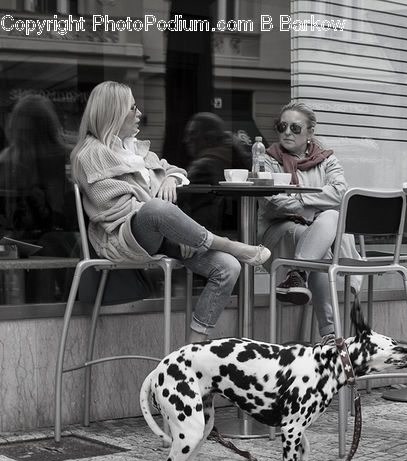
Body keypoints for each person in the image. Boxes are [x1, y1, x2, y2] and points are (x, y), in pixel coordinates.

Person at [69, 81, 270, 343]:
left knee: (228, 267)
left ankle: (191, 350)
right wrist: (173, 230)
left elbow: (175, 170)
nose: (139, 113)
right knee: (156, 208)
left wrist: (168, 180)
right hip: (122, 238)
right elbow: (118, 209)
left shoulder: (133, 148)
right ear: (115, 113)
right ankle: (231, 245)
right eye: (133, 107)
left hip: (162, 236)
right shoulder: (90, 154)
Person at [257, 101, 361, 343]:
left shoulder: (327, 159)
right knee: (329, 220)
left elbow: (340, 192)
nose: (286, 132)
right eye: (282, 126)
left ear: (310, 132)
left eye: (295, 127)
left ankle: (298, 273)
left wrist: (299, 198)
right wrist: (315, 206)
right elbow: (273, 202)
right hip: (279, 232)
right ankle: (331, 337)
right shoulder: (269, 159)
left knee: (332, 218)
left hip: (317, 234)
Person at [0, 94, 78, 302]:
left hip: (50, 238)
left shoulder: (65, 158)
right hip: (24, 238)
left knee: (49, 246)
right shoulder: (9, 161)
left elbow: (65, 212)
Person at [180, 112, 248, 233]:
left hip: (205, 236)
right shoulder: (234, 158)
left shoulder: (202, 167)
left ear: (208, 137)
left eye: (192, 134)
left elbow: (179, 203)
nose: (186, 140)